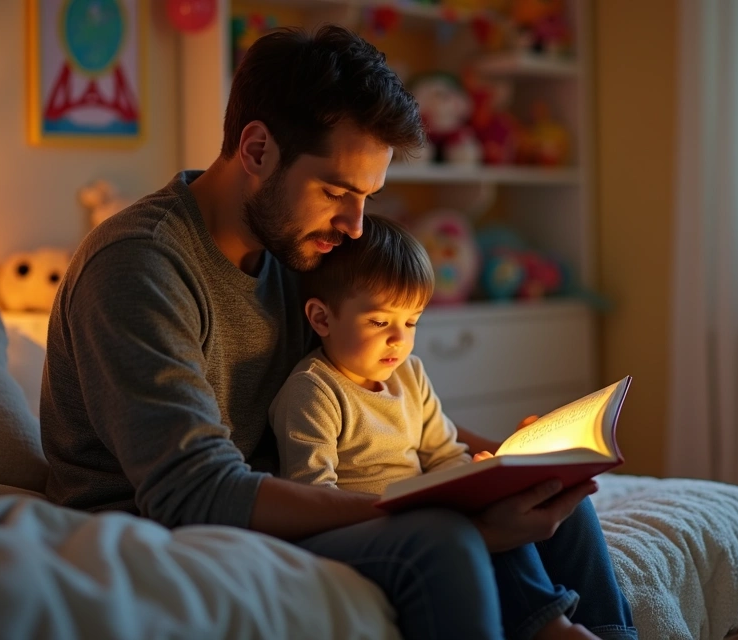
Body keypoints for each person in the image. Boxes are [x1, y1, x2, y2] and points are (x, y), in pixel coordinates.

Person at [40, 24, 634, 640]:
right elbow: (196, 493)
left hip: (285, 495)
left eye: (367, 197)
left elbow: (378, 406)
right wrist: (441, 507)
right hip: (166, 536)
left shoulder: (295, 250)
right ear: (256, 150)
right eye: (335, 191)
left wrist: (507, 464)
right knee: (442, 541)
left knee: (561, 505)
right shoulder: (140, 267)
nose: (354, 226)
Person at [269, 214, 635, 640]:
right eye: (379, 322)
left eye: (411, 323)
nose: (398, 340)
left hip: (422, 507)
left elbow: (443, 452)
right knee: (472, 525)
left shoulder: (410, 375)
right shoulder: (313, 392)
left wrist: (480, 473)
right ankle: (549, 626)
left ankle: (611, 630)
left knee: (564, 499)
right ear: (322, 318)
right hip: (371, 526)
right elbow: (312, 496)